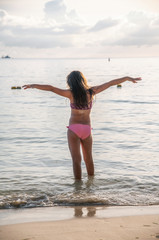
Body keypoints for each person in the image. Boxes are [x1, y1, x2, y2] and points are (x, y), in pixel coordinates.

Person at [23, 71, 141, 180]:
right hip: (86, 129)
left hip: (74, 129)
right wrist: (127, 78)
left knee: (76, 161)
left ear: (71, 82)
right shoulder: (91, 92)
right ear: (82, 80)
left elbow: (51, 88)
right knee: (89, 159)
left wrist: (33, 85)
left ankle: (78, 189)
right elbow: (110, 83)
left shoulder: (70, 94)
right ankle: (91, 185)